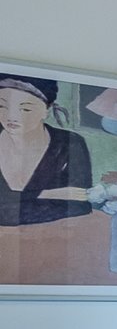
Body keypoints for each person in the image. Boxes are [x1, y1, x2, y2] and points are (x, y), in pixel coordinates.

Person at [0, 74, 93, 226]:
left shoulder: (70, 143)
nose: (11, 116)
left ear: (46, 110)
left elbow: (79, 204)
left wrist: (12, 200)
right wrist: (48, 194)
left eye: (25, 109)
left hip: (52, 236)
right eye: (1, 106)